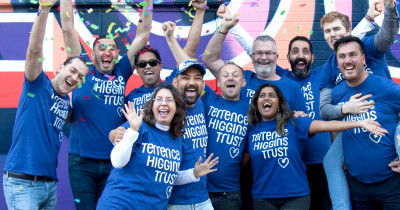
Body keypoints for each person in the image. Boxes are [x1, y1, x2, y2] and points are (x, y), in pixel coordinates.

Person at [60, 0, 153, 208]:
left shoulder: (122, 70)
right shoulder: (82, 71)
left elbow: (142, 36)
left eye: (112, 48)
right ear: (93, 55)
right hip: (81, 162)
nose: (107, 52)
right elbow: (67, 27)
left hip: (114, 162)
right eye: (101, 49)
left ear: (117, 55)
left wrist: (148, 2)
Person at [3, 1, 89, 209]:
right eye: (72, 71)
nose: (75, 77)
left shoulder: (65, 104)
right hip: (23, 183)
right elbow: (34, 50)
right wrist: (44, 10)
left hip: (48, 185)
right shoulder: (37, 84)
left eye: (80, 77)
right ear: (60, 68)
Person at [246, 83, 387, 210]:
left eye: (272, 96)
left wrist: (360, 123)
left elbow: (326, 125)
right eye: (262, 96)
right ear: (256, 103)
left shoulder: (295, 123)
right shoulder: (251, 130)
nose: (266, 99)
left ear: (279, 103)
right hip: (263, 197)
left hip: (295, 196)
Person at [318, 1, 399, 209]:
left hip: (389, 117)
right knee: (330, 161)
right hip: (355, 124)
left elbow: (388, 34)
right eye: (327, 31)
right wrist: (346, 109)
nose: (332, 34)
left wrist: (389, 9)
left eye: (337, 29)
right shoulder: (330, 68)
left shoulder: (368, 48)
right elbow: (326, 110)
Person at [97, 84, 219, 209]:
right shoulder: (138, 126)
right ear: (152, 106)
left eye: (169, 100)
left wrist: (193, 174)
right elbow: (117, 162)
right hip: (120, 205)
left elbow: (167, 177)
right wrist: (132, 131)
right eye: (159, 99)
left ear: (177, 107)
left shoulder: (177, 139)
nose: (164, 103)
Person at [109, 0, 208, 144]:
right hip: (141, 156)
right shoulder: (130, 97)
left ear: (160, 66)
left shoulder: (171, 86)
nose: (148, 66)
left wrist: (200, 11)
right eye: (142, 64)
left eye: (152, 63)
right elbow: (122, 127)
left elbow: (189, 50)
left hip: (167, 152)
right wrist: (113, 133)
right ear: (136, 69)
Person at [331, 36, 400, 209]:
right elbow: (335, 126)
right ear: (337, 62)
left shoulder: (386, 88)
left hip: (392, 182)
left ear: (363, 59)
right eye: (342, 56)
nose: (347, 61)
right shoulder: (337, 94)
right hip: (357, 185)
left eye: (353, 55)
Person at [275, 36, 331, 209]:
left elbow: (344, 49)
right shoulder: (281, 77)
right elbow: (258, 52)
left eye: (305, 51)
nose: (300, 56)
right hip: (292, 163)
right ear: (288, 57)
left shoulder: (322, 74)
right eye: (295, 51)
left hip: (323, 162)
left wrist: (368, 19)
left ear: (312, 58)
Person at [202, 62, 249, 209]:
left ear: (243, 82)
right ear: (218, 81)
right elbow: (190, 72)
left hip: (229, 193)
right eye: (225, 75)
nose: (230, 78)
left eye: (235, 75)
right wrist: (170, 39)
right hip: (200, 192)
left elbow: (249, 151)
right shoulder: (209, 99)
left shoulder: (251, 111)